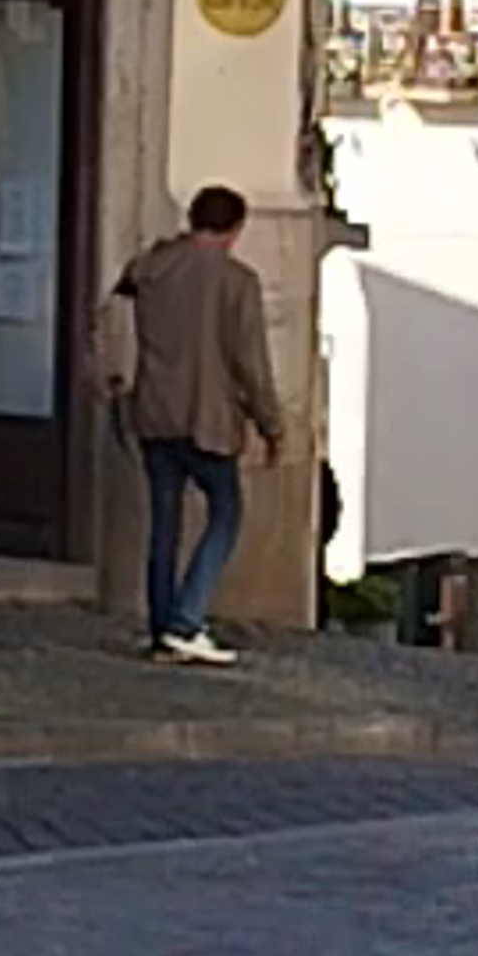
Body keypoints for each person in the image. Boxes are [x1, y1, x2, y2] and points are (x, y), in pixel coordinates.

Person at [97, 181, 284, 667]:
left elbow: (113, 314)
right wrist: (271, 425)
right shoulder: (236, 281)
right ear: (233, 229)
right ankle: (186, 620)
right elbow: (251, 362)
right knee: (226, 513)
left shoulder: (151, 268)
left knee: (164, 522)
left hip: (154, 411)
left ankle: (163, 627)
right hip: (208, 415)